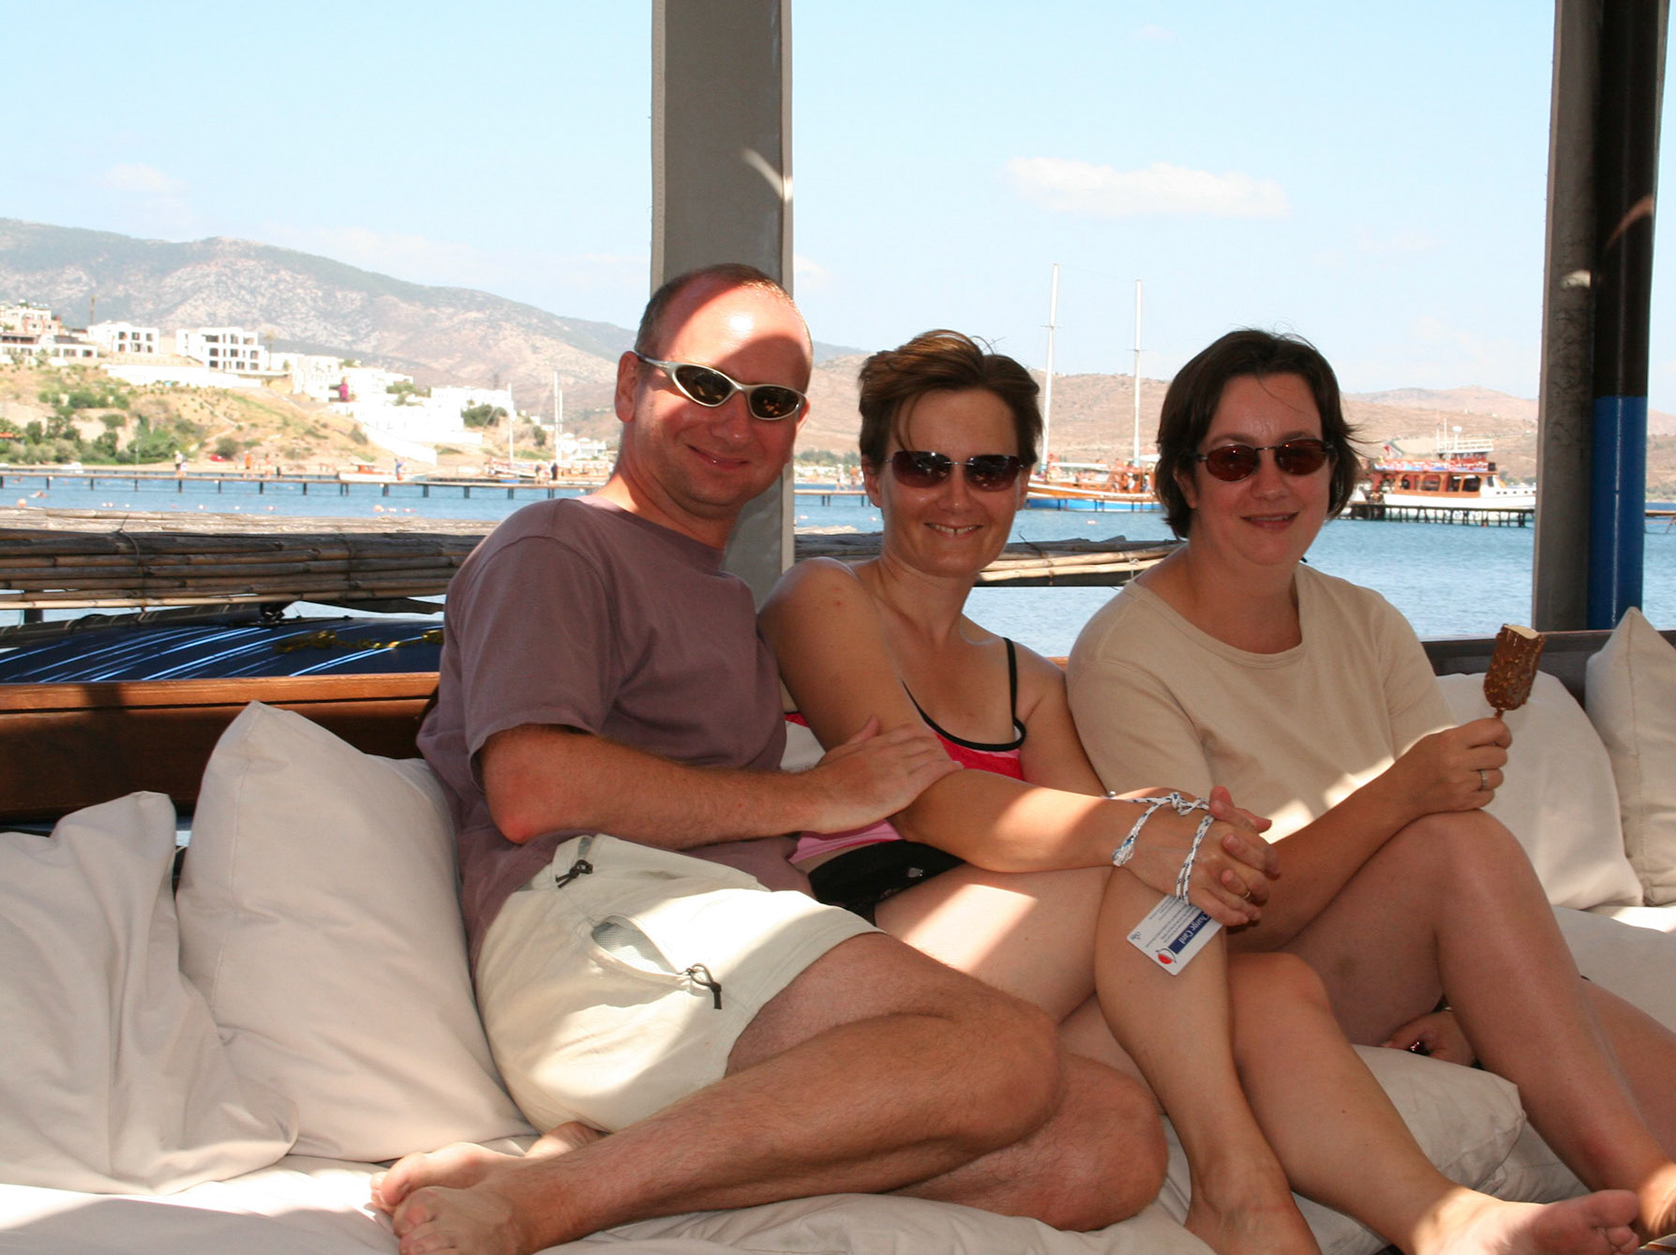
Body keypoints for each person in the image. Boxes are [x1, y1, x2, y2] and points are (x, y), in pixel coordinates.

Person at [762, 329, 1643, 1255]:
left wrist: (1177, 831)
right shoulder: (822, 596)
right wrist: (1153, 833)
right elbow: (932, 803)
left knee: (1268, 983)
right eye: (924, 466)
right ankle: (1236, 1183)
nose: (957, 495)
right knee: (1157, 854)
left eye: (988, 469)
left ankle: (1446, 1221)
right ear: (871, 479)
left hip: (1024, 972)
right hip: (880, 936)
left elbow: (1113, 848)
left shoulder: (1025, 679)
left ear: (1022, 485)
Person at [374, 268, 1166, 1255]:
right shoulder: (558, 545)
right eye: (704, 384)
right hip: (600, 921)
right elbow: (534, 786)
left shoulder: (712, 595)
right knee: (998, 1048)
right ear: (628, 385)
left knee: (1110, 1141)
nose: (734, 421)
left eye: (771, 401)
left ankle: (606, 1155)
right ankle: (548, 1202)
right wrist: (812, 795)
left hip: (721, 942)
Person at [1066, 328, 1676, 1243]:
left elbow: (1453, 887)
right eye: (1233, 460)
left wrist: (1458, 1006)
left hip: (1382, 964)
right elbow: (1209, 913)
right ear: (1185, 479)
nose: (1270, 484)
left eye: (1297, 454)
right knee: (1453, 844)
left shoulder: (1366, 622)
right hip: (1241, 984)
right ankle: (1647, 1184)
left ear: (1332, 470)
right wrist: (1398, 796)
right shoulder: (1127, 655)